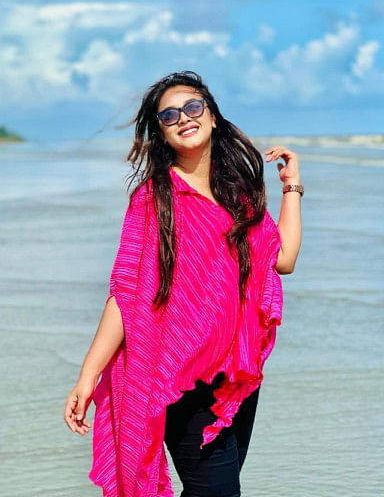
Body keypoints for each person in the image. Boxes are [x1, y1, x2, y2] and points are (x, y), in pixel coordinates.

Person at [64, 70, 303, 497]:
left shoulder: (238, 194)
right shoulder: (154, 198)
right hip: (177, 374)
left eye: (193, 107)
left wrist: (291, 188)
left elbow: (282, 259)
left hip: (235, 376)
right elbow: (127, 293)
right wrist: (88, 375)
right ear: (161, 132)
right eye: (169, 115)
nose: (184, 118)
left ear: (212, 117)